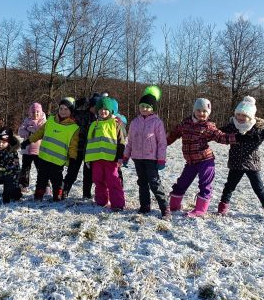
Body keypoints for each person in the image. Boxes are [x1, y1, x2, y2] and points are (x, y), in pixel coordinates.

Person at [166, 98, 238, 218]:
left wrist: (236, 138)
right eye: (199, 110)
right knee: (182, 182)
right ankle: (174, 206)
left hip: (206, 161)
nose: (201, 113)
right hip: (191, 162)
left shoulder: (208, 126)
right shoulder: (185, 123)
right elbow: (173, 134)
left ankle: (200, 210)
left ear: (208, 113)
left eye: (205, 111)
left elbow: (220, 137)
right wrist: (163, 143)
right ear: (194, 110)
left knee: (205, 185)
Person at [123, 86, 170, 219]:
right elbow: (130, 141)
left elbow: (162, 143)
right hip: (137, 158)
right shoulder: (134, 122)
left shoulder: (157, 122)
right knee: (142, 183)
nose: (144, 109)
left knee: (154, 183)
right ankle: (145, 206)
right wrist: (126, 156)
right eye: (142, 106)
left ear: (152, 108)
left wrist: (161, 159)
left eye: (147, 107)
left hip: (151, 158)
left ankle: (165, 208)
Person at [22, 97, 80, 201]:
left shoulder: (74, 128)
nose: (63, 111)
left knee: (57, 180)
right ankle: (38, 195)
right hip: (44, 157)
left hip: (58, 161)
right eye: (61, 108)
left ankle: (58, 195)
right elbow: (39, 133)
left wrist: (72, 159)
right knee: (41, 178)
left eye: (66, 109)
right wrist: (29, 141)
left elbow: (73, 146)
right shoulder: (50, 120)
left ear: (71, 111)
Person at [85, 96, 127, 211]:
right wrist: (87, 158)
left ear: (110, 111)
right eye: (100, 109)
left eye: (106, 109)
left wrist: (120, 157)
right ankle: (101, 201)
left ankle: (118, 204)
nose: (103, 111)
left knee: (113, 180)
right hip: (96, 159)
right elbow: (89, 142)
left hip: (111, 159)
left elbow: (121, 141)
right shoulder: (93, 125)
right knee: (98, 180)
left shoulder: (115, 123)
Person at [63, 93, 100, 199]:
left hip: (90, 150)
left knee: (88, 174)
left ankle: (86, 194)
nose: (96, 109)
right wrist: (77, 103)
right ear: (91, 106)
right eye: (95, 106)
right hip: (78, 148)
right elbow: (70, 112)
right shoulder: (81, 114)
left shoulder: (100, 118)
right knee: (72, 172)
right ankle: (64, 191)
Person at [17, 103, 47, 193]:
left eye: (37, 112)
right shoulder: (26, 121)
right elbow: (20, 132)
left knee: (41, 170)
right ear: (30, 113)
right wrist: (29, 132)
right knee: (25, 169)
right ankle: (23, 185)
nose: (35, 114)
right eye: (33, 112)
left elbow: (42, 132)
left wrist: (31, 128)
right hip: (27, 150)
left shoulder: (44, 121)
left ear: (41, 112)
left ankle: (45, 186)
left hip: (39, 151)